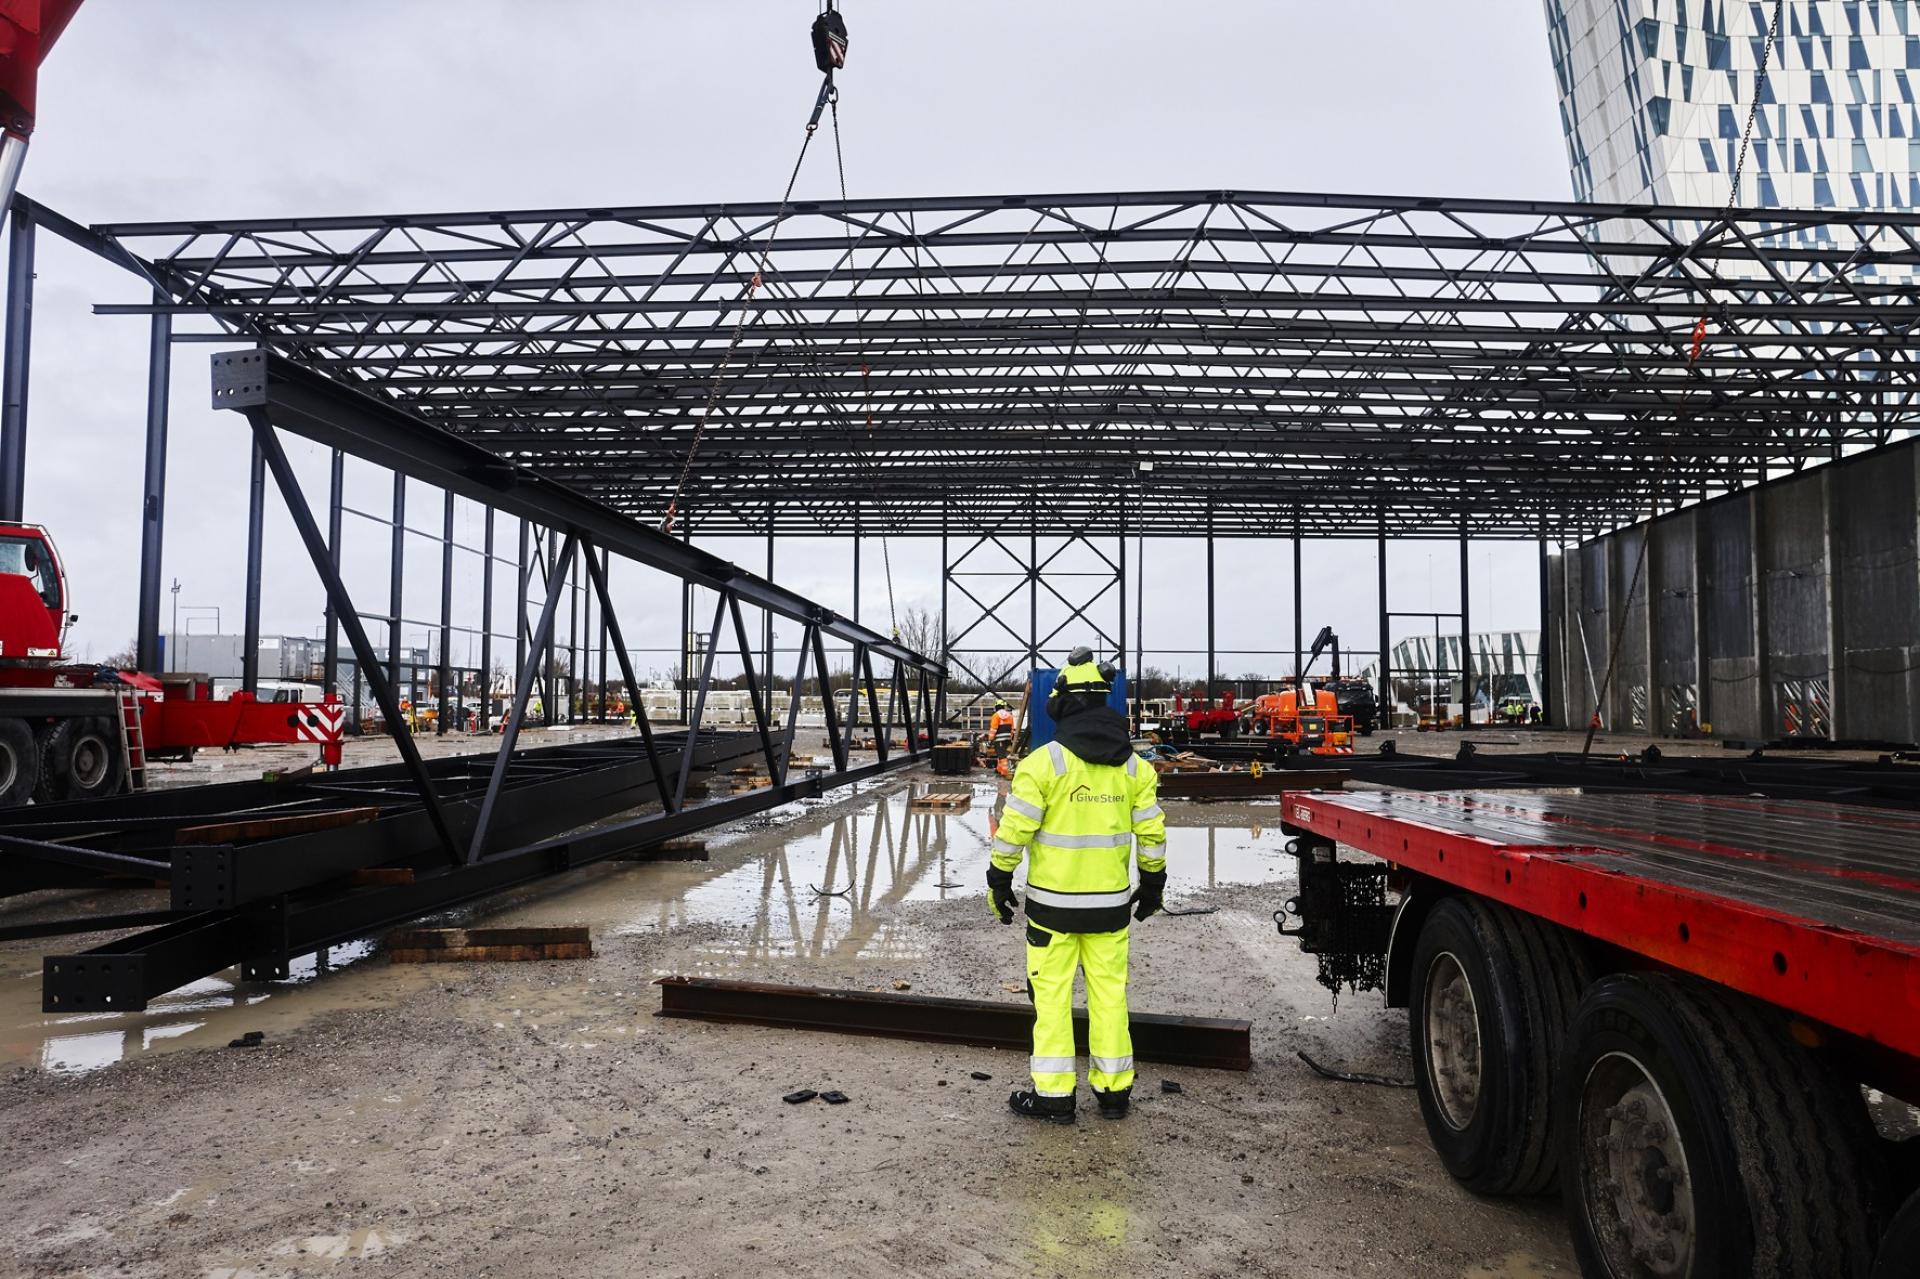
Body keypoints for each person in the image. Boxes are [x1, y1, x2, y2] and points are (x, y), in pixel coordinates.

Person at [987, 647, 1166, 1123]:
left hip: (1051, 912)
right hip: (1110, 911)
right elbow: (1151, 834)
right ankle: (1113, 1094)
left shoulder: (1043, 766)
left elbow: (1013, 832)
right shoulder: (1135, 769)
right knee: (1110, 997)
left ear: (1063, 701)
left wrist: (999, 879)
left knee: (1051, 1000)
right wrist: (1152, 886)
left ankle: (1054, 1098)